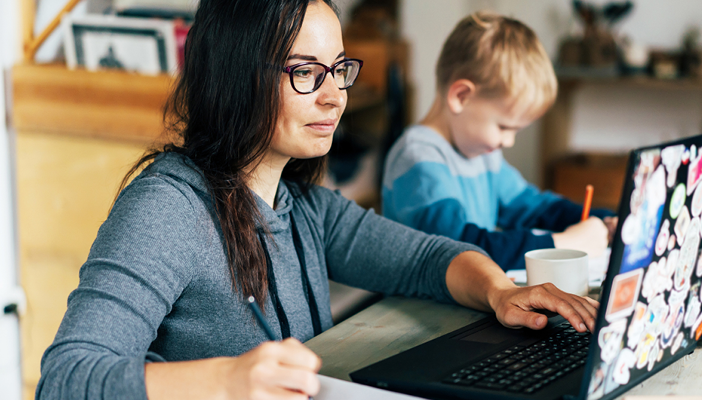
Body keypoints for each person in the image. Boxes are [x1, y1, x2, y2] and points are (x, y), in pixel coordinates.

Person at [36, 2, 599, 399]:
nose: (334, 96)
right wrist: (226, 383)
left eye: (338, 70)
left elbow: (427, 258)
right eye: (306, 72)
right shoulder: (167, 209)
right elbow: (66, 379)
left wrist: (501, 291)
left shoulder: (302, 204)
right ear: (238, 77)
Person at [382, 11, 618, 272]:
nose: (509, 141)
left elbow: (533, 208)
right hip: (417, 308)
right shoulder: (418, 158)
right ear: (461, 96)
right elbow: (463, 249)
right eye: (504, 126)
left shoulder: (482, 153)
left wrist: (602, 220)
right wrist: (561, 243)